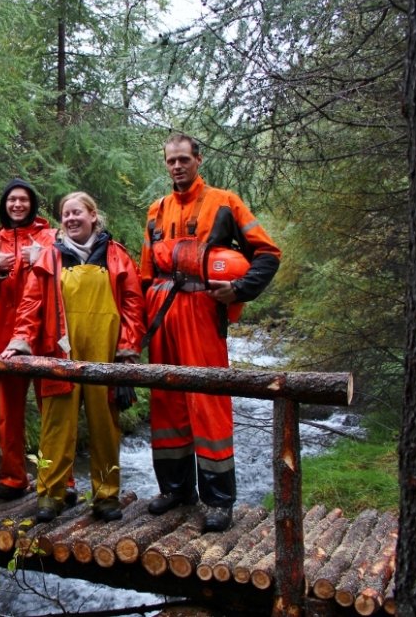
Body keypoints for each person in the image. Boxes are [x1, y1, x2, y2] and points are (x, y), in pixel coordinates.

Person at [140, 133, 281, 532]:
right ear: (165, 164)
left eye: (184, 159)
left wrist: (238, 290)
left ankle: (218, 500)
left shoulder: (225, 202)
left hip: (203, 312)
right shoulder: (155, 210)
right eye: (171, 161)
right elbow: (145, 274)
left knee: (208, 401)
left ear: (198, 160)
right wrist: (134, 331)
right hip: (162, 310)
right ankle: (175, 490)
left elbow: (268, 253)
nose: (177, 166)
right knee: (166, 401)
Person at [3, 192, 145, 523]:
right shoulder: (49, 257)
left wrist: (127, 350)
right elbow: (31, 303)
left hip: (105, 355)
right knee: (56, 426)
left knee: (105, 426)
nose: (70, 219)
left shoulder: (116, 256)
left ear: (93, 216)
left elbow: (133, 305)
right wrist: (21, 339)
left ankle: (106, 496)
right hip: (59, 352)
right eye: (65, 214)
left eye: (77, 212)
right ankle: (50, 495)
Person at [0, 179, 58, 501]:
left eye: (23, 200)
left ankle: (59, 481)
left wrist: (43, 257)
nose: (17, 205)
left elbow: (64, 273)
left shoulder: (50, 236)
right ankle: (13, 477)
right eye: (12, 200)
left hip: (46, 336)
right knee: (8, 412)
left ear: (32, 204)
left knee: (53, 410)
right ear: (4, 204)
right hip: (5, 338)